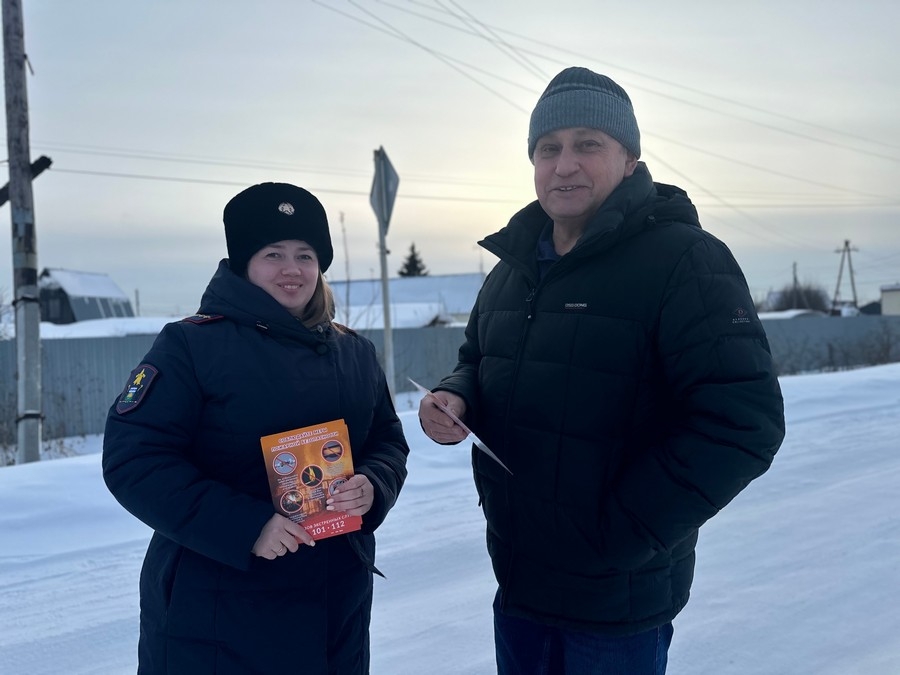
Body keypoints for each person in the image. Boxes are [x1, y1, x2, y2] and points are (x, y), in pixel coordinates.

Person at [419, 67, 785, 674]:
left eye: (587, 144)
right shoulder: (512, 270)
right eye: (548, 148)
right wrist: (455, 398)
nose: (564, 164)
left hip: (618, 602)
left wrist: (622, 534)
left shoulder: (685, 259)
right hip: (521, 581)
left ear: (630, 159)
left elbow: (742, 422)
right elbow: (477, 361)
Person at [103, 182, 409, 674]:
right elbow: (135, 460)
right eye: (273, 254)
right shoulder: (190, 346)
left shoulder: (355, 352)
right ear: (244, 263)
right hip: (219, 612)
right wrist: (247, 527)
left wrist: (373, 486)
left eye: (305, 255)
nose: (292, 269)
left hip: (336, 605)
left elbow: (387, 441)